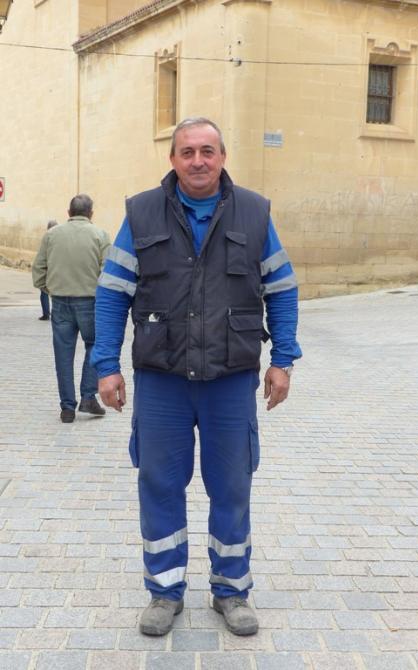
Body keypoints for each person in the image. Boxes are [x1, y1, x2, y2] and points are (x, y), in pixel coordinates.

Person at [91, 118, 302, 636]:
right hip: (162, 378)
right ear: (173, 159)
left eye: (208, 151)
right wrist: (106, 366)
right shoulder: (141, 212)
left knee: (232, 486)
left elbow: (282, 289)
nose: (198, 160)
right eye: (187, 152)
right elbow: (112, 292)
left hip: (230, 378)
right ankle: (164, 592)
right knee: (159, 484)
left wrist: (283, 359)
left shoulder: (254, 212)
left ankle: (231, 590)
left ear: (223, 156)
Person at [32, 194, 110, 423]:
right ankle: (88, 397)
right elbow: (108, 271)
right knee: (94, 345)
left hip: (60, 301)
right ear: (91, 213)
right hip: (89, 301)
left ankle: (67, 407)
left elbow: (38, 268)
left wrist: (48, 288)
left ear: (69, 213)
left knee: (63, 355)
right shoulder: (100, 235)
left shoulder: (51, 235)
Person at [38, 220, 58, 320]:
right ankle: (56, 313)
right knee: (58, 293)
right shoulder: (62, 238)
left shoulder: (47, 238)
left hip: (48, 268)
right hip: (58, 269)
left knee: (44, 292)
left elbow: (41, 257)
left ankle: (46, 314)